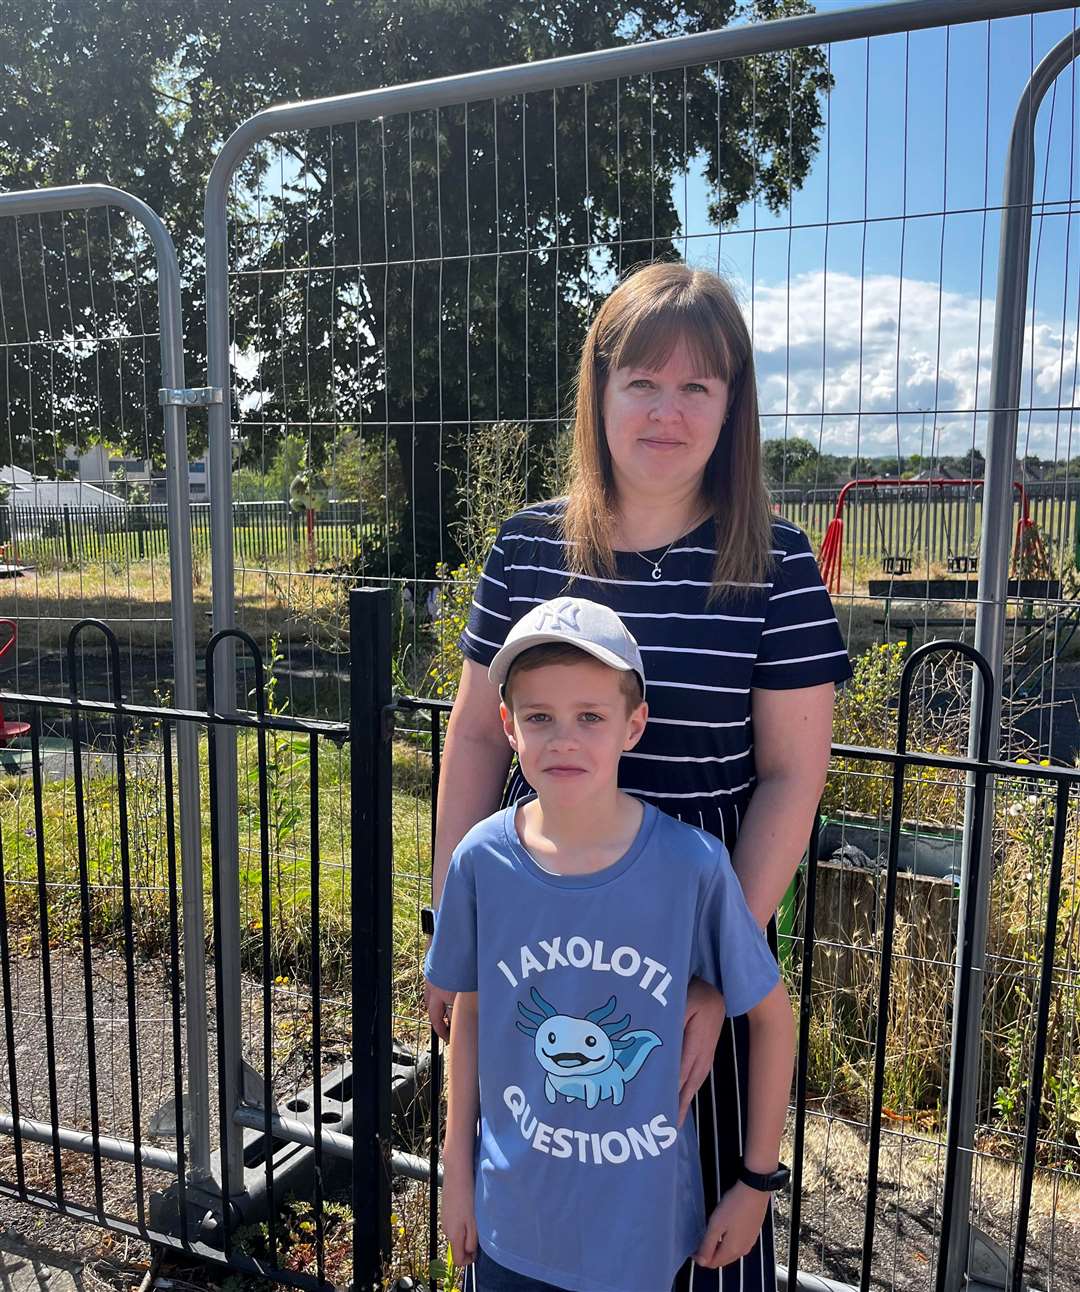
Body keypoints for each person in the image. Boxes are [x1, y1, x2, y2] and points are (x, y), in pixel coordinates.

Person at [428, 261, 852, 1291]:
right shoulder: (528, 544)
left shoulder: (779, 563)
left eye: (697, 386)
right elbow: (480, 740)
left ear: (732, 404)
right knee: (540, 1199)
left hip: (696, 922)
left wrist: (715, 968)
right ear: (599, 389)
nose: (668, 409)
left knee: (692, 1221)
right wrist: (455, 925)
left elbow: (794, 777)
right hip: (546, 922)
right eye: (643, 382)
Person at [426, 596, 794, 1291]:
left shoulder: (692, 867)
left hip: (641, 1239)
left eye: (590, 717)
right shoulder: (480, 861)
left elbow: (772, 1020)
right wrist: (455, 1172)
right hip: (510, 1228)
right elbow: (470, 1016)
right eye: (540, 717)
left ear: (634, 725)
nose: (563, 738)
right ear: (508, 726)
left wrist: (755, 1182)